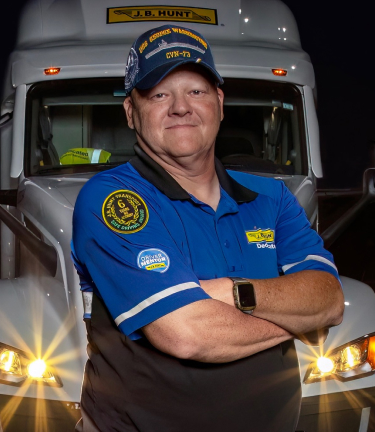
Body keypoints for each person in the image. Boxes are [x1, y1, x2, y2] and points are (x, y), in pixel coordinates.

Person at [71, 24, 345, 432]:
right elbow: (187, 333)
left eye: (196, 91)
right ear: (131, 112)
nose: (181, 106)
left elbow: (330, 299)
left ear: (219, 102)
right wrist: (298, 317)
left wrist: (234, 292)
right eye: (159, 93)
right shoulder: (113, 200)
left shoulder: (272, 198)